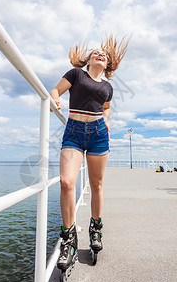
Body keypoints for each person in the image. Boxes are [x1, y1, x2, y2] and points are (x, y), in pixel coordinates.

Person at [50, 35, 130, 270]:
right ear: (88, 60)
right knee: (66, 182)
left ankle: (96, 229)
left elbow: (107, 110)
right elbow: (56, 91)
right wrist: (55, 101)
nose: (100, 54)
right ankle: (69, 238)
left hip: (98, 135)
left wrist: (105, 120)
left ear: (107, 65)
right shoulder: (76, 75)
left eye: (103, 55)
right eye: (96, 52)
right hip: (73, 132)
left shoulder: (108, 87)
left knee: (97, 184)